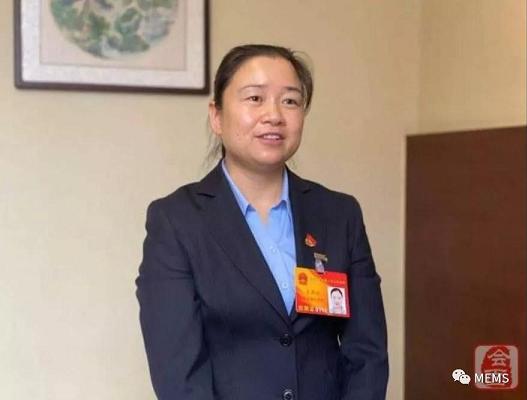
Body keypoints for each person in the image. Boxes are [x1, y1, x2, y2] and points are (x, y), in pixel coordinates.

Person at [136, 44, 388, 400]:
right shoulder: (177, 221)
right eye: (255, 98)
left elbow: (367, 353)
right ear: (217, 117)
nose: (274, 115)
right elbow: (178, 372)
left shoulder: (339, 214)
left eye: (290, 101)